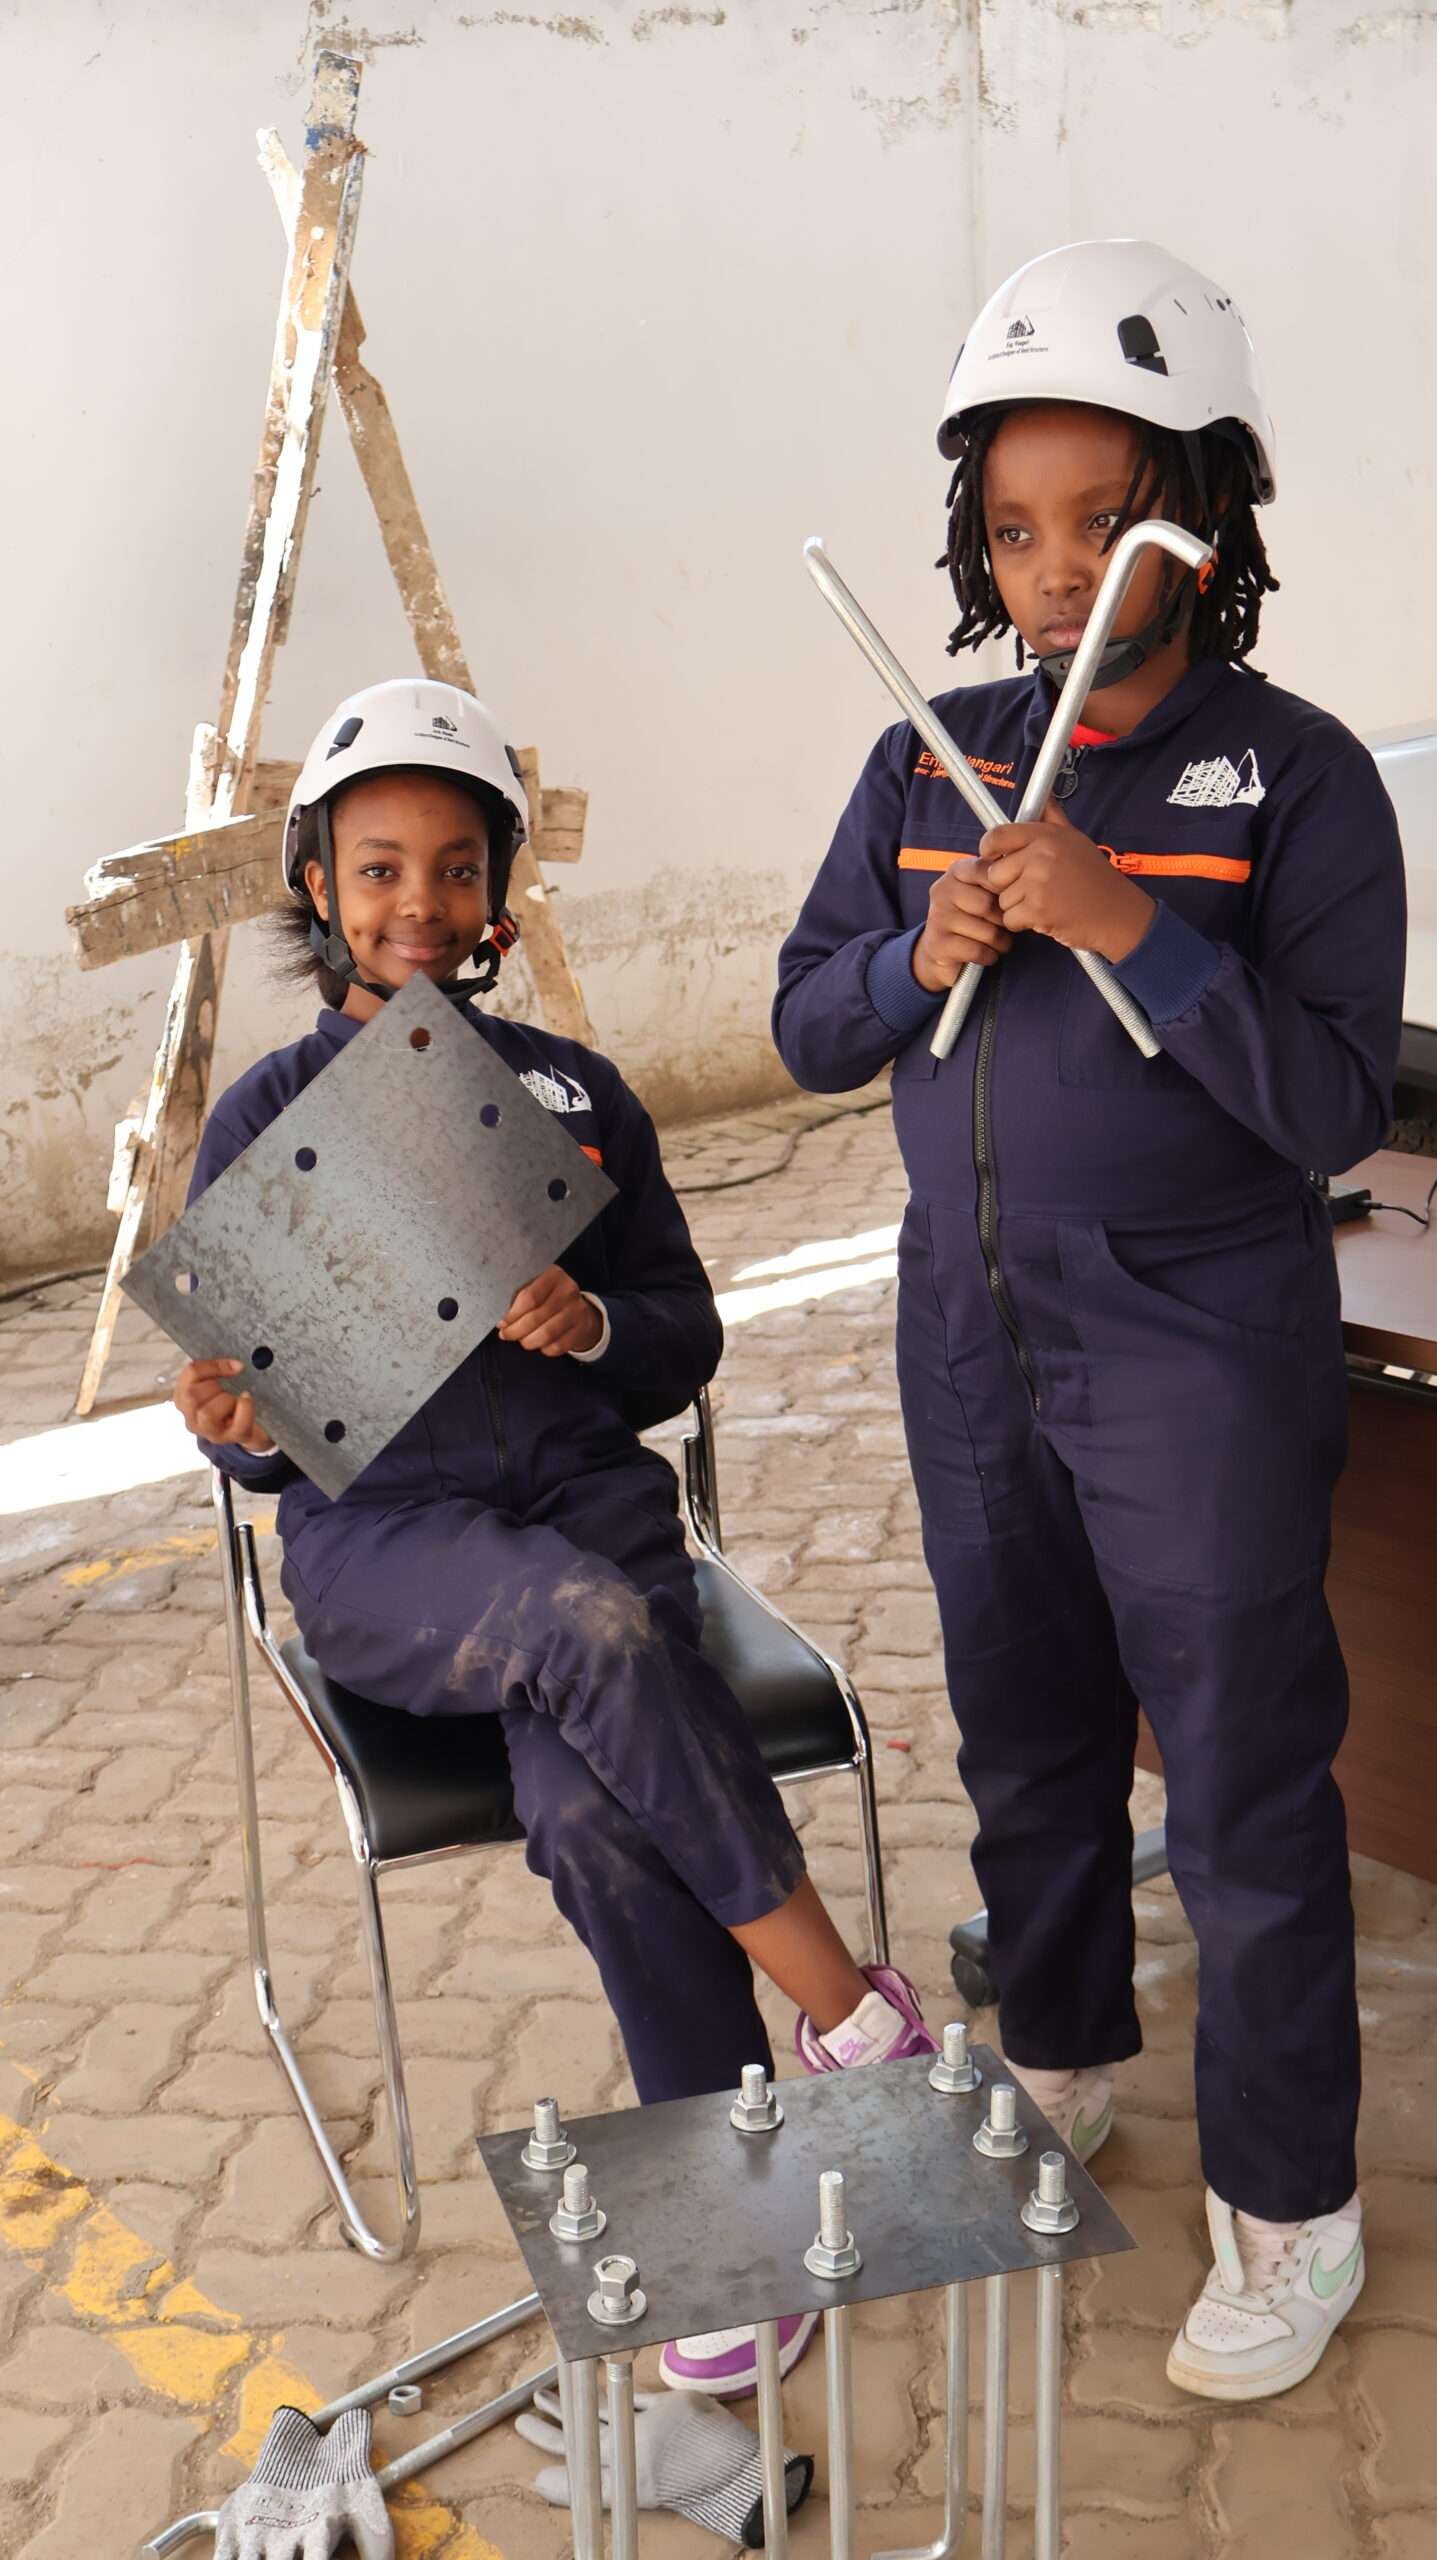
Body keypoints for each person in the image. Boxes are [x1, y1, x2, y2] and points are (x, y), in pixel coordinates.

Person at [773, 241, 1406, 2402]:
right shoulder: (923, 761)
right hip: (969, 1332)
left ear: (1201, 521)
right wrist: (913, 952)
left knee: (1235, 1775)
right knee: (1027, 1737)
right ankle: (1055, 2056)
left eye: (1102, 522)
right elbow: (804, 1027)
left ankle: (1292, 2204)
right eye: (1013, 527)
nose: (1053, 571)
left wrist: (1127, 922)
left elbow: (1332, 1101)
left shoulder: (1294, 777)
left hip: (1193, 1347)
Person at [173, 677, 934, 2401]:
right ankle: (849, 2013)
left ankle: (732, 2230)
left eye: (455, 868)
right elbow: (255, 1440)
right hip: (395, 1563)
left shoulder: (577, 1096)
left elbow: (684, 1334)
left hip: (594, 1528)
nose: (418, 903)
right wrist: (236, 1425)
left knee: (593, 1807)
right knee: (579, 1624)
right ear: (318, 887)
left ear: (498, 894)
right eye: (379, 869)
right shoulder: (269, 1114)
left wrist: (594, 1326)